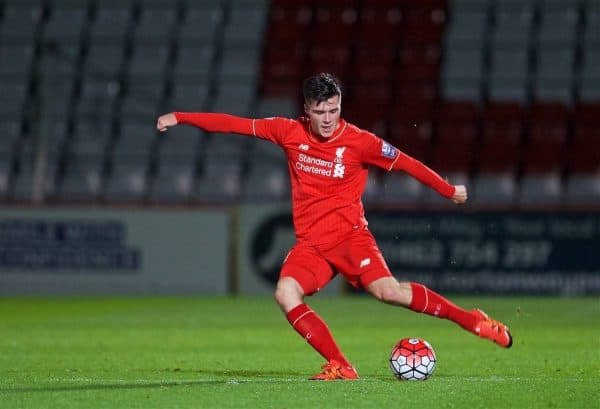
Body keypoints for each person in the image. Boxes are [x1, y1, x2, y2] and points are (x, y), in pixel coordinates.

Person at [156, 73, 512, 381]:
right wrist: (180, 117)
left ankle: (471, 320)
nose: (328, 119)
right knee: (285, 293)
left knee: (388, 293)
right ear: (306, 110)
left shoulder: (360, 141)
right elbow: (234, 124)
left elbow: (406, 163)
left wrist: (448, 190)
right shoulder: (288, 131)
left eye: (334, 110)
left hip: (351, 237)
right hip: (312, 245)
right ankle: (340, 365)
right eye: (320, 111)